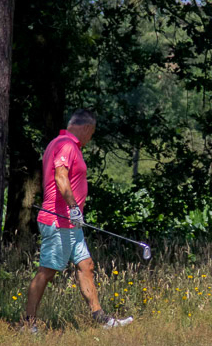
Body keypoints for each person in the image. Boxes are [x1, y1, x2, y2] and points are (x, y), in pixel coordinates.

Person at [23, 110, 133, 330]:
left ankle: (101, 319)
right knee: (47, 271)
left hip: (71, 223)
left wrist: (74, 214)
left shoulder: (61, 143)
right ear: (87, 128)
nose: (90, 138)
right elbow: (60, 176)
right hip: (58, 221)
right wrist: (74, 207)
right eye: (92, 133)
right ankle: (28, 323)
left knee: (86, 266)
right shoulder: (66, 145)